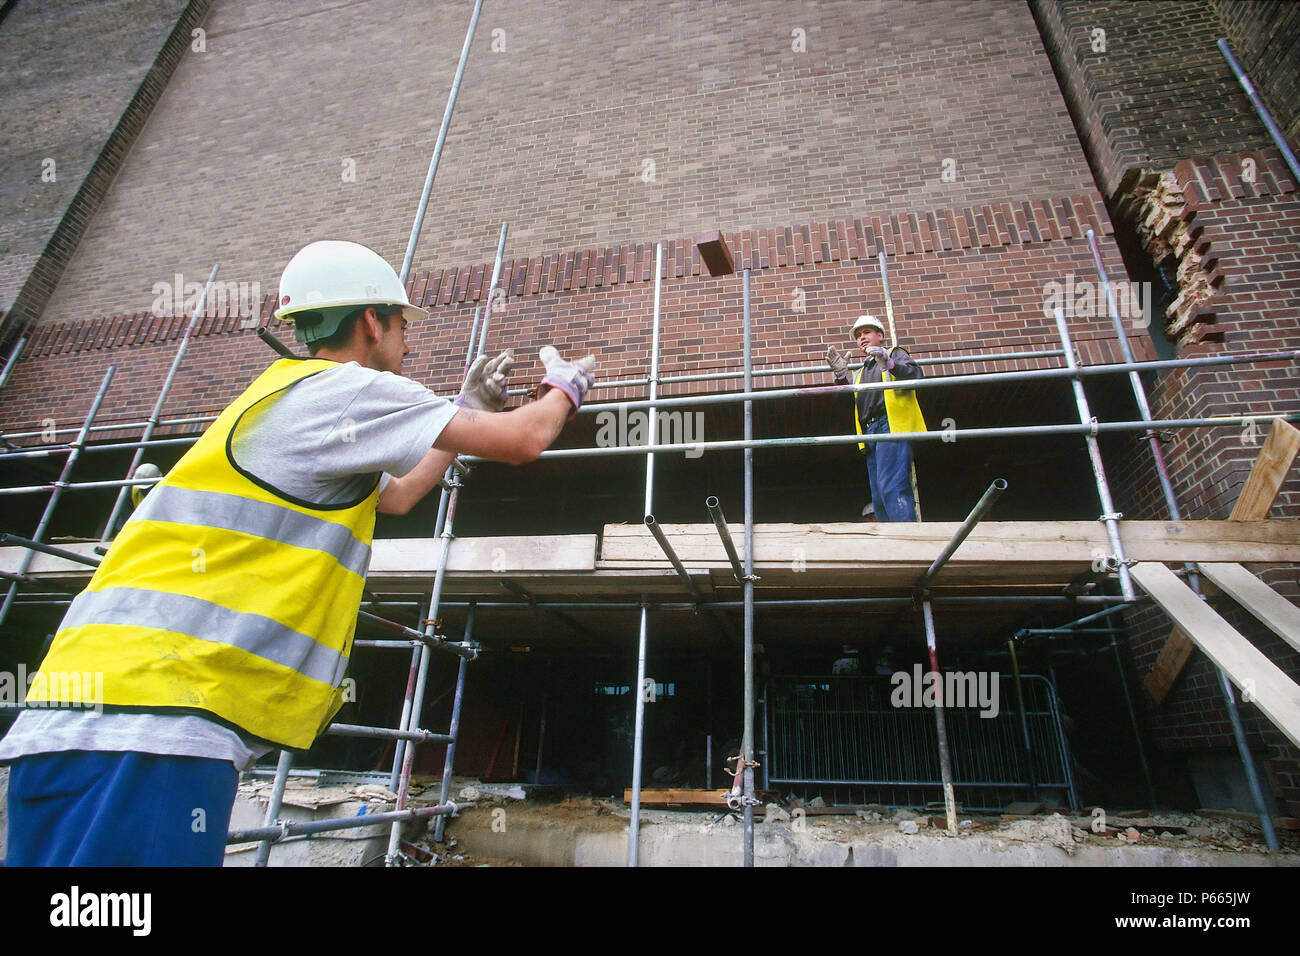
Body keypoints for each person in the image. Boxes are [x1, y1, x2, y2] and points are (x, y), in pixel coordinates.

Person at [1, 239, 596, 866]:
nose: (408, 341)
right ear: (372, 321)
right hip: (149, 725)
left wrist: (465, 409)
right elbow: (526, 438)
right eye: (400, 325)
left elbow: (395, 498)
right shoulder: (343, 391)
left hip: (103, 715)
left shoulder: (290, 395)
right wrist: (564, 384)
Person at [826, 314, 925, 522]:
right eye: (858, 335)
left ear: (880, 335)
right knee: (879, 494)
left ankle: (907, 539)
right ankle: (889, 542)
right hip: (870, 432)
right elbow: (845, 406)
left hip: (891, 426)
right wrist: (841, 377)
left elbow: (915, 375)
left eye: (867, 332)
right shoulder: (861, 372)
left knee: (893, 486)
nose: (862, 338)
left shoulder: (894, 354)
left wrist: (889, 363)